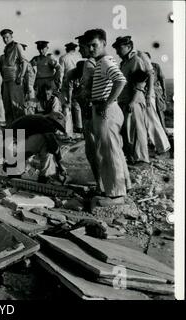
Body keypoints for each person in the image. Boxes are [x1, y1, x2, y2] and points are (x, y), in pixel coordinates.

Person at [84, 28, 130, 205]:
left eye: (94, 45)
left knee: (109, 152)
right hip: (103, 109)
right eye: (89, 46)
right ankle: (116, 189)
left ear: (103, 43)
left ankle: (116, 195)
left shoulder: (104, 61)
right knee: (110, 150)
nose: (91, 49)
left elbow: (121, 80)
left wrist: (107, 102)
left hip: (106, 111)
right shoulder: (102, 61)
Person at [112, 36, 150, 164]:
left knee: (136, 131)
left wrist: (132, 102)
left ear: (129, 47)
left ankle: (140, 159)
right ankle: (131, 158)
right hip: (124, 101)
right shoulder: (124, 63)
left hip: (134, 102)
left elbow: (140, 84)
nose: (117, 51)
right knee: (127, 131)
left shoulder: (136, 61)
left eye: (119, 48)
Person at [6, 111, 68, 183]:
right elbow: (53, 146)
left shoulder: (38, 119)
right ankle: (45, 176)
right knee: (47, 143)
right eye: (56, 127)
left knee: (40, 142)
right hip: (12, 145)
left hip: (9, 145)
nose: (55, 130)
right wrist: (60, 165)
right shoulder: (46, 123)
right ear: (53, 122)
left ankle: (13, 166)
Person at [75, 34, 102, 192]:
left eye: (81, 46)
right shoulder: (89, 64)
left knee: (94, 151)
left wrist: (82, 95)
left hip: (91, 112)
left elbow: (93, 87)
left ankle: (101, 185)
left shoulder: (91, 65)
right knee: (94, 150)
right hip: (90, 111)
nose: (79, 49)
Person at [0, 29, 26, 125]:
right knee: (7, 105)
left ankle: (21, 132)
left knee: (16, 105)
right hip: (6, 79)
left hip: (15, 79)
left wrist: (21, 76)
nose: (5, 39)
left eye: (7, 37)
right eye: (3, 38)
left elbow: (24, 62)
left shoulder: (17, 46)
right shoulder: (6, 48)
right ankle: (10, 130)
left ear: (11, 37)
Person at [59, 42, 83, 133]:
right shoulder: (79, 57)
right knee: (77, 105)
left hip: (67, 80)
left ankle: (68, 127)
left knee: (66, 105)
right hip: (78, 81)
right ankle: (79, 126)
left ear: (66, 49)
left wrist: (59, 85)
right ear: (75, 49)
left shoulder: (63, 57)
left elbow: (61, 72)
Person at [145, 52, 167, 130]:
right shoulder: (140, 67)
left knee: (159, 111)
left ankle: (164, 131)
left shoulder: (155, 66)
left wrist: (164, 92)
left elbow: (162, 78)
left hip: (156, 91)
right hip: (144, 92)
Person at [20, 43, 36, 116]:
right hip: (25, 86)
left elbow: (30, 76)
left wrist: (28, 87)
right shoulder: (22, 62)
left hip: (28, 86)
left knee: (30, 105)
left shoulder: (25, 62)